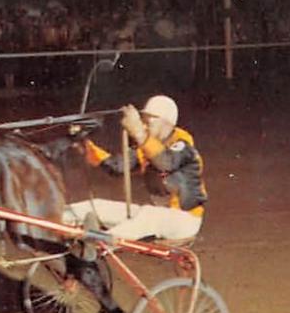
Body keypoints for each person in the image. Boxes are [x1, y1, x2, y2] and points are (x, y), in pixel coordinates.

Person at [65, 95, 207, 241]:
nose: (144, 125)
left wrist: (138, 132)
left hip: (184, 221)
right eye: (142, 120)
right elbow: (116, 167)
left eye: (148, 120)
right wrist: (83, 143)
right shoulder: (146, 145)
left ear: (166, 121)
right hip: (157, 217)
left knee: (148, 214)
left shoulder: (183, 144)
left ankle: (100, 241)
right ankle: (57, 219)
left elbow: (166, 162)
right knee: (94, 206)